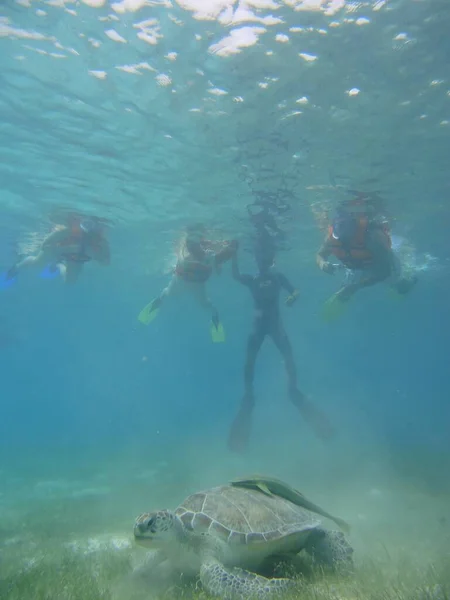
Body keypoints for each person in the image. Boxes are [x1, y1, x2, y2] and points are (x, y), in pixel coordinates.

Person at [228, 242, 334, 453]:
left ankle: (290, 390)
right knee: (254, 361)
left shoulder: (277, 277)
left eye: (265, 257)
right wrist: (233, 255)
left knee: (286, 358)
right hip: (265, 327)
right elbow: (236, 275)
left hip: (270, 327)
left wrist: (293, 297)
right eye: (260, 257)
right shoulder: (254, 279)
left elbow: (296, 291)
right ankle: (251, 395)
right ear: (258, 260)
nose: (262, 261)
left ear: (270, 259)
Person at [137, 225, 237, 343]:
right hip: (186, 283)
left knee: (171, 295)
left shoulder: (205, 256)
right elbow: (226, 252)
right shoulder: (202, 256)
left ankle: (215, 319)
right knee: (170, 295)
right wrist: (232, 245)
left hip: (188, 283)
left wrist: (231, 246)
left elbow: (225, 253)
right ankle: (215, 319)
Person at [316, 201, 417, 316]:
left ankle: (410, 280)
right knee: (344, 290)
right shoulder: (332, 237)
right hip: (357, 266)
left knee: (399, 285)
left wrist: (356, 287)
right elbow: (320, 255)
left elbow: (384, 271)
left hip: (382, 265)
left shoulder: (372, 237)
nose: (341, 234)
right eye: (338, 227)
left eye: (345, 226)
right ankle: (346, 299)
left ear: (353, 225)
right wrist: (322, 264)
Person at [3, 214, 110, 285]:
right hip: (56, 250)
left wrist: (96, 255)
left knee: (70, 282)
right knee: (37, 263)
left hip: (77, 257)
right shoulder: (66, 232)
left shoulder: (101, 242)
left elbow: (106, 262)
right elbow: (45, 245)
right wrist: (61, 247)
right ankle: (15, 268)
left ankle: (59, 265)